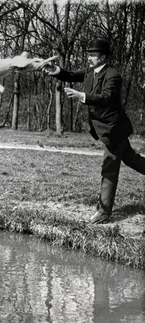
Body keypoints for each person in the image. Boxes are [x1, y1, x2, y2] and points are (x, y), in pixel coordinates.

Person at [40, 38, 145, 224]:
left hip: (114, 129)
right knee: (130, 159)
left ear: (103, 57)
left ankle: (104, 212)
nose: (88, 58)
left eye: (92, 55)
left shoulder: (113, 75)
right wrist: (55, 70)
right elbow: (71, 75)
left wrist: (82, 96)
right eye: (88, 54)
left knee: (109, 167)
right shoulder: (90, 72)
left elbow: (106, 98)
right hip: (104, 128)